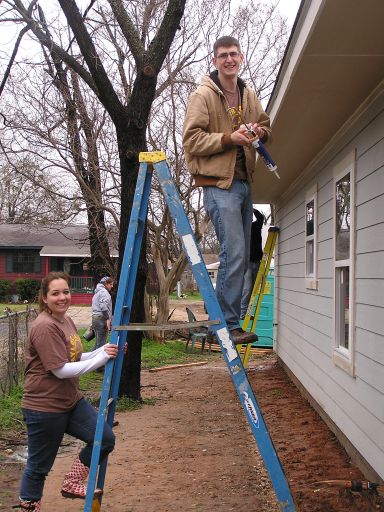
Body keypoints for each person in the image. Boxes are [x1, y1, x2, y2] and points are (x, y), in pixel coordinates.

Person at [183, 35, 271, 345]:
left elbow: (265, 123)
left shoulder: (247, 94)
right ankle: (225, 324)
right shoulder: (203, 95)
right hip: (220, 186)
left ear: (241, 57)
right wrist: (228, 139)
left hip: (245, 183)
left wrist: (259, 130)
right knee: (232, 253)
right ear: (215, 60)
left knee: (244, 256)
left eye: (234, 54)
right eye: (223, 55)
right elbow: (191, 140)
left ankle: (228, 322)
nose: (229, 59)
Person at [15, 271, 118, 511]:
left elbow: (75, 356)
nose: (62, 297)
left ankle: (72, 482)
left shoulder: (66, 321)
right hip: (44, 407)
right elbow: (60, 369)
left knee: (103, 438)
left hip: (70, 401)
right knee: (39, 467)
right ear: (44, 297)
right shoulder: (44, 326)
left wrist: (105, 351)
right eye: (55, 293)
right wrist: (101, 357)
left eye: (66, 292)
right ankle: (30, 507)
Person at [240, 208, 265, 319]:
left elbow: (260, 217)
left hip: (257, 262)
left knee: (254, 289)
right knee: (247, 288)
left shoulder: (256, 226)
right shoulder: (241, 229)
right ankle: (242, 314)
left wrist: (251, 207)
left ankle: (248, 313)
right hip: (247, 263)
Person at [92, 276, 114, 351]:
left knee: (98, 343)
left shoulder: (97, 292)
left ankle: (89, 359)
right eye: (110, 284)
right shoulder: (104, 292)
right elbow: (103, 306)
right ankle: (96, 361)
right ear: (105, 284)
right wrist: (108, 318)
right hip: (102, 319)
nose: (112, 286)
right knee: (101, 344)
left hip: (96, 318)